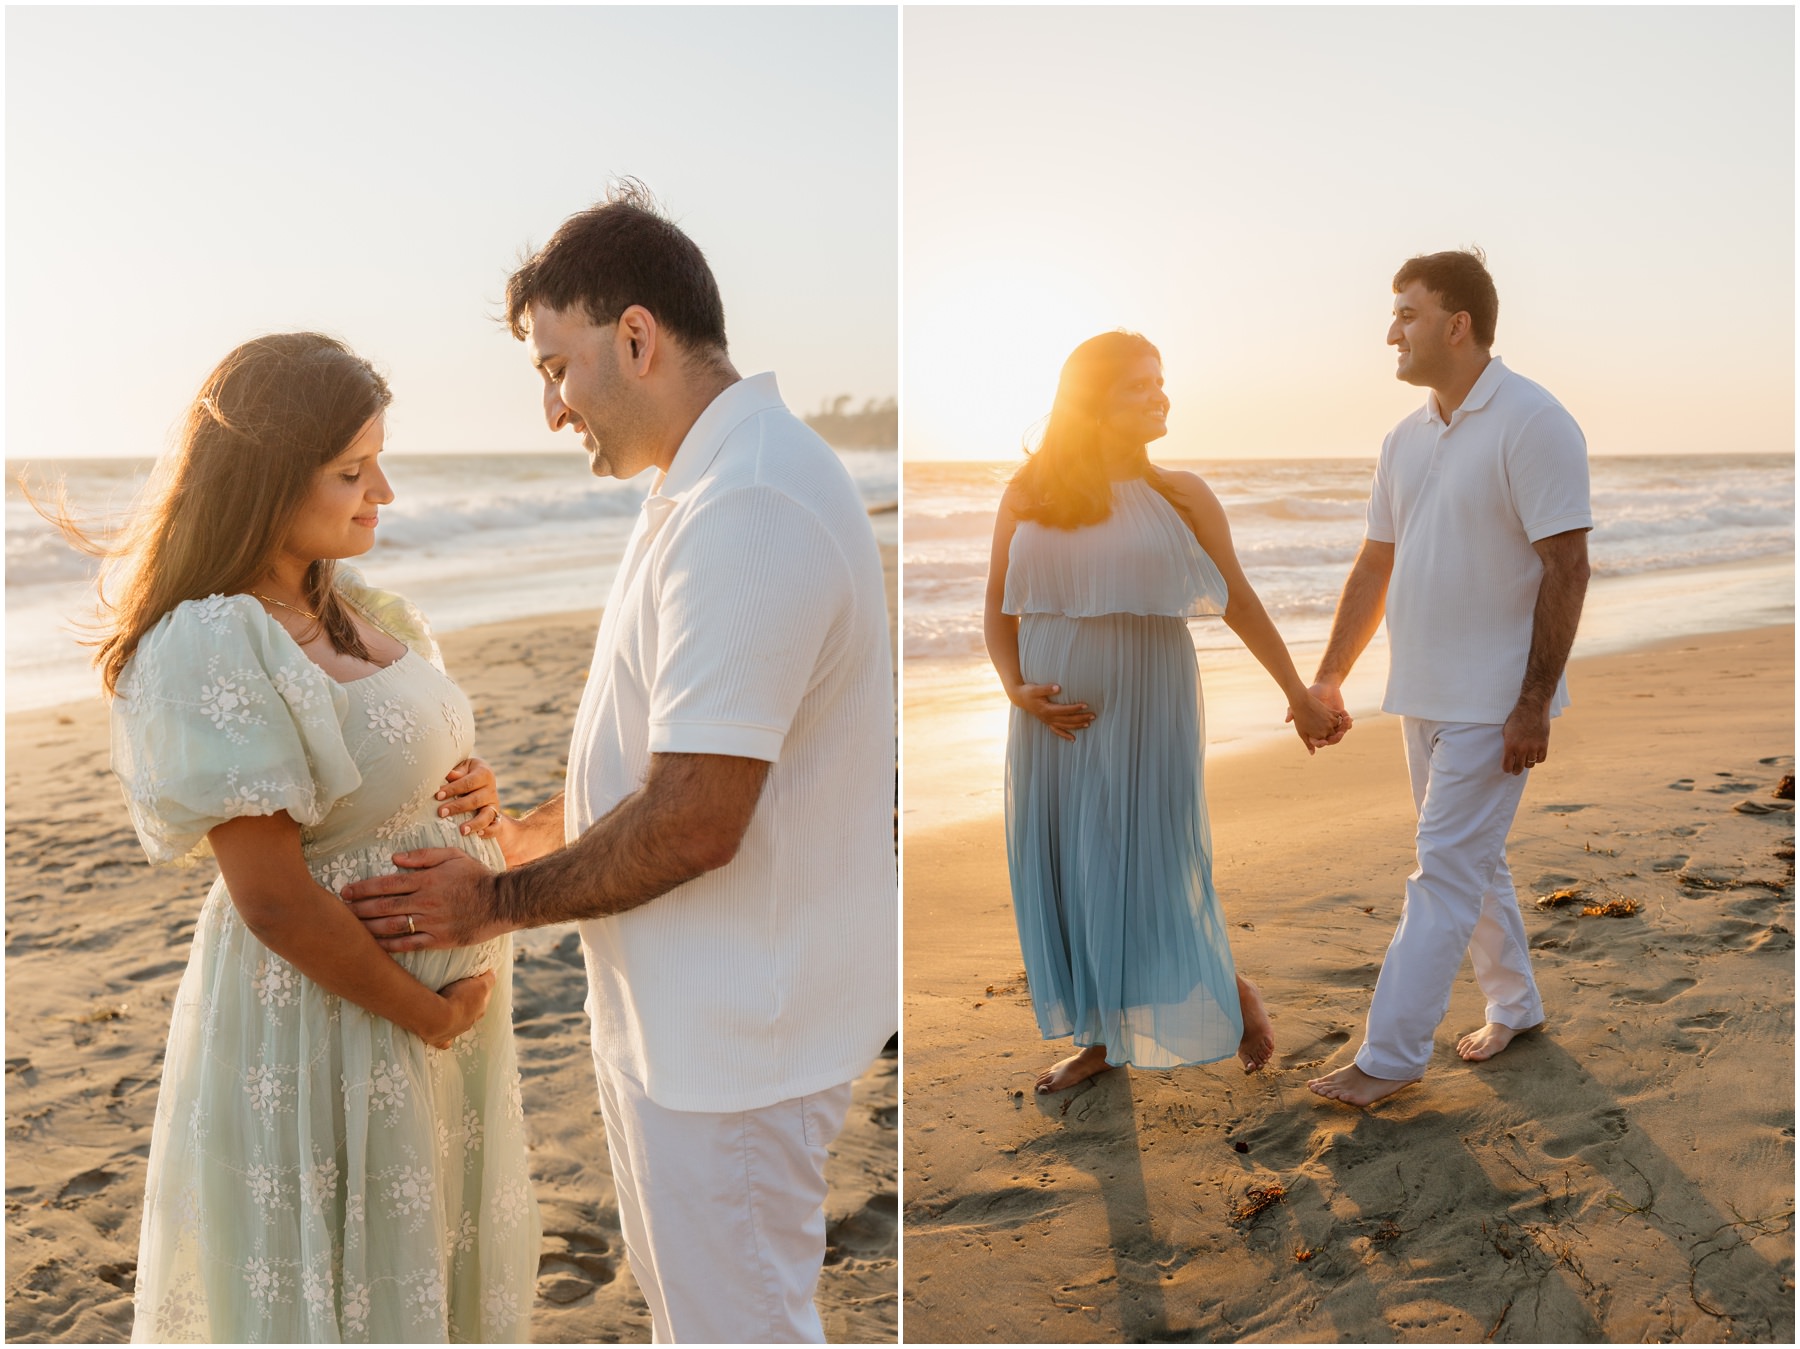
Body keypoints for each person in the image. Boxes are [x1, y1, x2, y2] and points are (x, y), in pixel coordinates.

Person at [341, 185, 896, 1344]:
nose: (551, 408)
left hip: (737, 1042)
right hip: (692, 1023)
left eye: (558, 368)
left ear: (637, 337)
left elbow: (696, 816)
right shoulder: (702, 481)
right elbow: (670, 765)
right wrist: (521, 835)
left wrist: (493, 901)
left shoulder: (749, 502)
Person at [76, 333, 540, 1340]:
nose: (383, 492)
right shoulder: (214, 638)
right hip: (336, 1022)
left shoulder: (360, 605)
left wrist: (468, 793)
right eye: (350, 470)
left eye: (378, 460)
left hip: (426, 1026)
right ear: (267, 476)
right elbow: (275, 899)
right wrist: (426, 1014)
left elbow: (388, 768)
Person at [983, 330, 1344, 1096]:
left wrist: (1298, 695)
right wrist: (1014, 688)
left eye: (1160, 381)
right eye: (1138, 386)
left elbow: (1238, 601)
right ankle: (1100, 1040)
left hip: (1151, 703)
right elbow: (996, 607)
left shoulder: (1183, 494)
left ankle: (1230, 989)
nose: (1160, 396)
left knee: (1149, 860)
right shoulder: (1029, 492)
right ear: (1091, 402)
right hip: (1050, 719)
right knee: (1072, 868)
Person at [1305, 249, 1592, 1109]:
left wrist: (1533, 702)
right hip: (1422, 692)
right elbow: (1375, 563)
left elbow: (1567, 566)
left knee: (1441, 871)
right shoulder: (1404, 437)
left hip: (1495, 701)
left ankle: (1390, 1057)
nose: (1391, 332)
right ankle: (1516, 1004)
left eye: (1408, 313)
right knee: (1472, 860)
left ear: (1458, 324)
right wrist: (1330, 676)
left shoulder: (1534, 420)